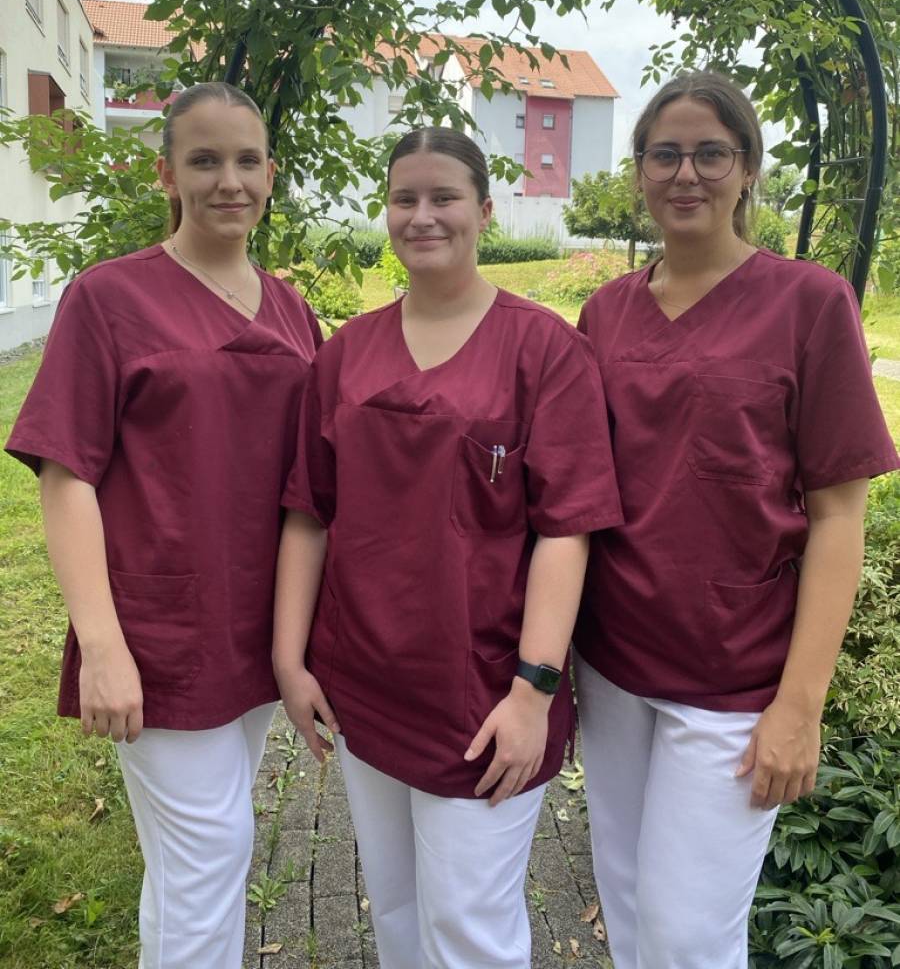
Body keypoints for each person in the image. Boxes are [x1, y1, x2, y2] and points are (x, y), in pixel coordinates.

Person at [273, 126, 622, 969]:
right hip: (363, 686)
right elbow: (309, 514)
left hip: (483, 697)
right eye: (405, 199)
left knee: (468, 931)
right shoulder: (346, 353)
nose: (422, 216)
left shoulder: (544, 351)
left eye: (444, 198)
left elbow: (566, 530)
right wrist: (290, 660)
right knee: (396, 912)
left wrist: (535, 691)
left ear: (485, 210)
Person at [572, 70, 899, 969]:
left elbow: (839, 517)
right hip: (613, 660)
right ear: (638, 170)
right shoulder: (604, 313)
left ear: (748, 169)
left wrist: (800, 705)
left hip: (734, 674)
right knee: (631, 906)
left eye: (711, 153)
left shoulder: (809, 303)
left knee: (689, 935)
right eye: (665, 154)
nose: (687, 174)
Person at [5, 82, 323, 969]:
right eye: (205, 160)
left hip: (258, 627)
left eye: (248, 160)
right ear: (168, 175)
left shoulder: (292, 309)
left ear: (270, 174)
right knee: (209, 856)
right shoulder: (109, 299)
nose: (231, 180)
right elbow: (67, 475)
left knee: (194, 861)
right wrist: (100, 644)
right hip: (161, 630)